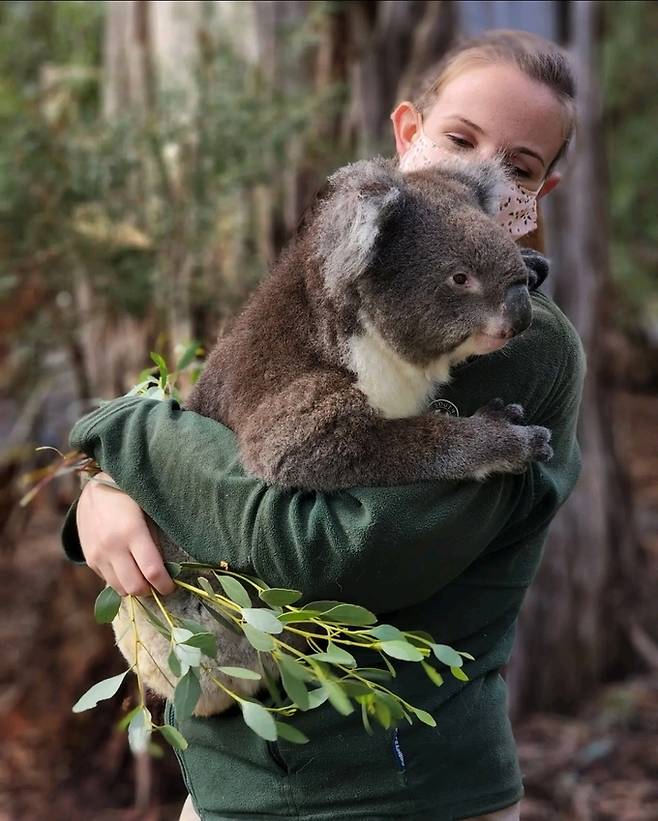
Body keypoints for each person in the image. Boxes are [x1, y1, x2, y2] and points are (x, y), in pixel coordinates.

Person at [62, 29, 585, 821]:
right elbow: (225, 416)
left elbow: (311, 552)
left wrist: (125, 434)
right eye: (461, 138)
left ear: (540, 192)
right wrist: (100, 496)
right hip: (234, 784)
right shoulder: (343, 279)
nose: (484, 169)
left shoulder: (512, 342)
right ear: (408, 131)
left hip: (407, 792)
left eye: (520, 166)